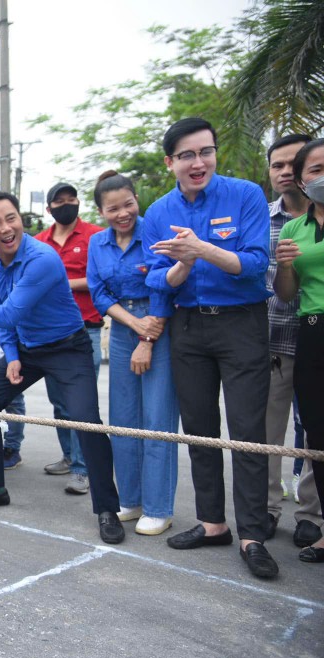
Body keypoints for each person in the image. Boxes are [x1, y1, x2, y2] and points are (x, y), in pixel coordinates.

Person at [0, 191, 125, 545]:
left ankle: (107, 509)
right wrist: (12, 354)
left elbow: (9, 312)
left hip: (68, 347)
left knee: (87, 421)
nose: (7, 228)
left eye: (12, 218)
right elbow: (4, 317)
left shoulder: (42, 258)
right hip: (26, 348)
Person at [144, 117, 276, 579]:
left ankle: (253, 535)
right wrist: (180, 268)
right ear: (171, 163)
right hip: (189, 329)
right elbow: (155, 278)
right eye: (186, 155)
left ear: (215, 154)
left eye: (205, 152)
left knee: (246, 433)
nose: (198, 162)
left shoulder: (245, 195)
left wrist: (200, 249)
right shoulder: (158, 211)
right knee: (199, 431)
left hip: (242, 324)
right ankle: (213, 523)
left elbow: (256, 265)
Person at [88, 171, 179, 536]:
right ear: (101, 211)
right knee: (123, 421)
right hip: (125, 327)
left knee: (156, 421)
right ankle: (131, 498)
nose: (122, 213)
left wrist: (148, 335)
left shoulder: (155, 231)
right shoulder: (98, 243)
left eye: (128, 204)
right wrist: (134, 327)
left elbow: (165, 284)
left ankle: (160, 507)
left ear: (136, 200)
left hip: (159, 323)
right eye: (113, 208)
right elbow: (98, 293)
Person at [262, 134, 322, 544]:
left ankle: (311, 516)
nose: (285, 172)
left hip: (312, 338)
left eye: (293, 165)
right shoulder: (262, 219)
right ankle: (265, 509)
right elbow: (280, 287)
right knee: (267, 433)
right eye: (278, 166)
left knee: (317, 434)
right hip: (275, 342)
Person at [35, 183, 105, 494]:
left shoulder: (95, 236)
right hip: (50, 335)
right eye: (59, 201)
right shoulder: (40, 242)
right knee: (59, 402)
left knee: (82, 405)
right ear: (49, 209)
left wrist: (58, 281)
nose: (67, 204)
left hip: (85, 330)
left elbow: (99, 279)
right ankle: (69, 456)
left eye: (71, 199)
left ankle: (83, 468)